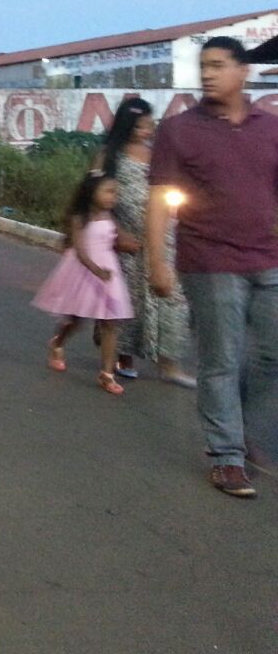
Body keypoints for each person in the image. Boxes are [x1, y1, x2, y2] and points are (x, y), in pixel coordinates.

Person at [148, 36, 278, 498]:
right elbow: (161, 198)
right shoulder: (179, 130)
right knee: (221, 360)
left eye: (218, 65)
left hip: (268, 258)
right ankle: (226, 456)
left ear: (243, 72)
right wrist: (157, 261)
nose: (207, 73)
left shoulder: (271, 127)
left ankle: (236, 427)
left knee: (271, 356)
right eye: (203, 66)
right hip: (209, 260)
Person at [98, 98, 194, 386]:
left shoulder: (156, 154)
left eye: (149, 125)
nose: (146, 131)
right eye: (140, 125)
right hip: (126, 242)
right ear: (127, 125)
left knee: (172, 301)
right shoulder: (107, 156)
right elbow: (95, 200)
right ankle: (122, 357)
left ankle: (170, 366)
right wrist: (116, 232)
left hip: (163, 237)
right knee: (128, 303)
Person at [34, 170, 135, 395]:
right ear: (91, 193)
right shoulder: (80, 217)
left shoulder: (110, 217)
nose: (113, 197)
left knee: (110, 322)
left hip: (108, 272)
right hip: (85, 272)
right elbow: (80, 251)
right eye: (108, 191)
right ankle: (57, 342)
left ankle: (107, 373)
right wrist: (96, 270)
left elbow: (120, 239)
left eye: (115, 193)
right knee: (76, 320)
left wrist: (130, 244)